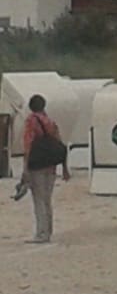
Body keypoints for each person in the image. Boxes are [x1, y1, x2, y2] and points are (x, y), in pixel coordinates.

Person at [19, 94, 70, 243]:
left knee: (39, 199)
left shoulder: (31, 121)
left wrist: (25, 167)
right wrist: (65, 167)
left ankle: (42, 232)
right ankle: (48, 229)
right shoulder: (50, 121)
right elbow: (60, 143)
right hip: (51, 164)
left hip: (37, 165)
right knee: (47, 199)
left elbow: (28, 144)